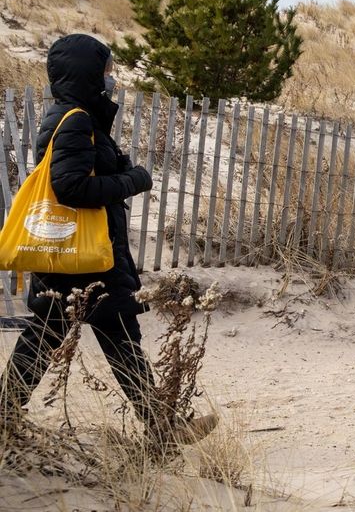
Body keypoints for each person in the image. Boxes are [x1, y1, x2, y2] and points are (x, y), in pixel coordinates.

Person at [0, 34, 216, 445]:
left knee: (73, 334)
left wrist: (116, 167)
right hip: (84, 256)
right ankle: (162, 427)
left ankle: (160, 427)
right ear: (86, 74)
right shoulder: (76, 119)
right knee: (98, 334)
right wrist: (131, 180)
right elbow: (70, 188)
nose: (111, 80)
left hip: (75, 255)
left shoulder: (75, 116)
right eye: (105, 72)